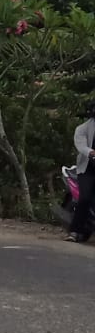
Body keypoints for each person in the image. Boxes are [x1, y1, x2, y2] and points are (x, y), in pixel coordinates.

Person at [68, 103, 95, 242]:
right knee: (85, 199)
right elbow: (81, 146)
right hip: (87, 170)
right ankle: (74, 231)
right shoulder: (82, 128)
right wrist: (91, 152)